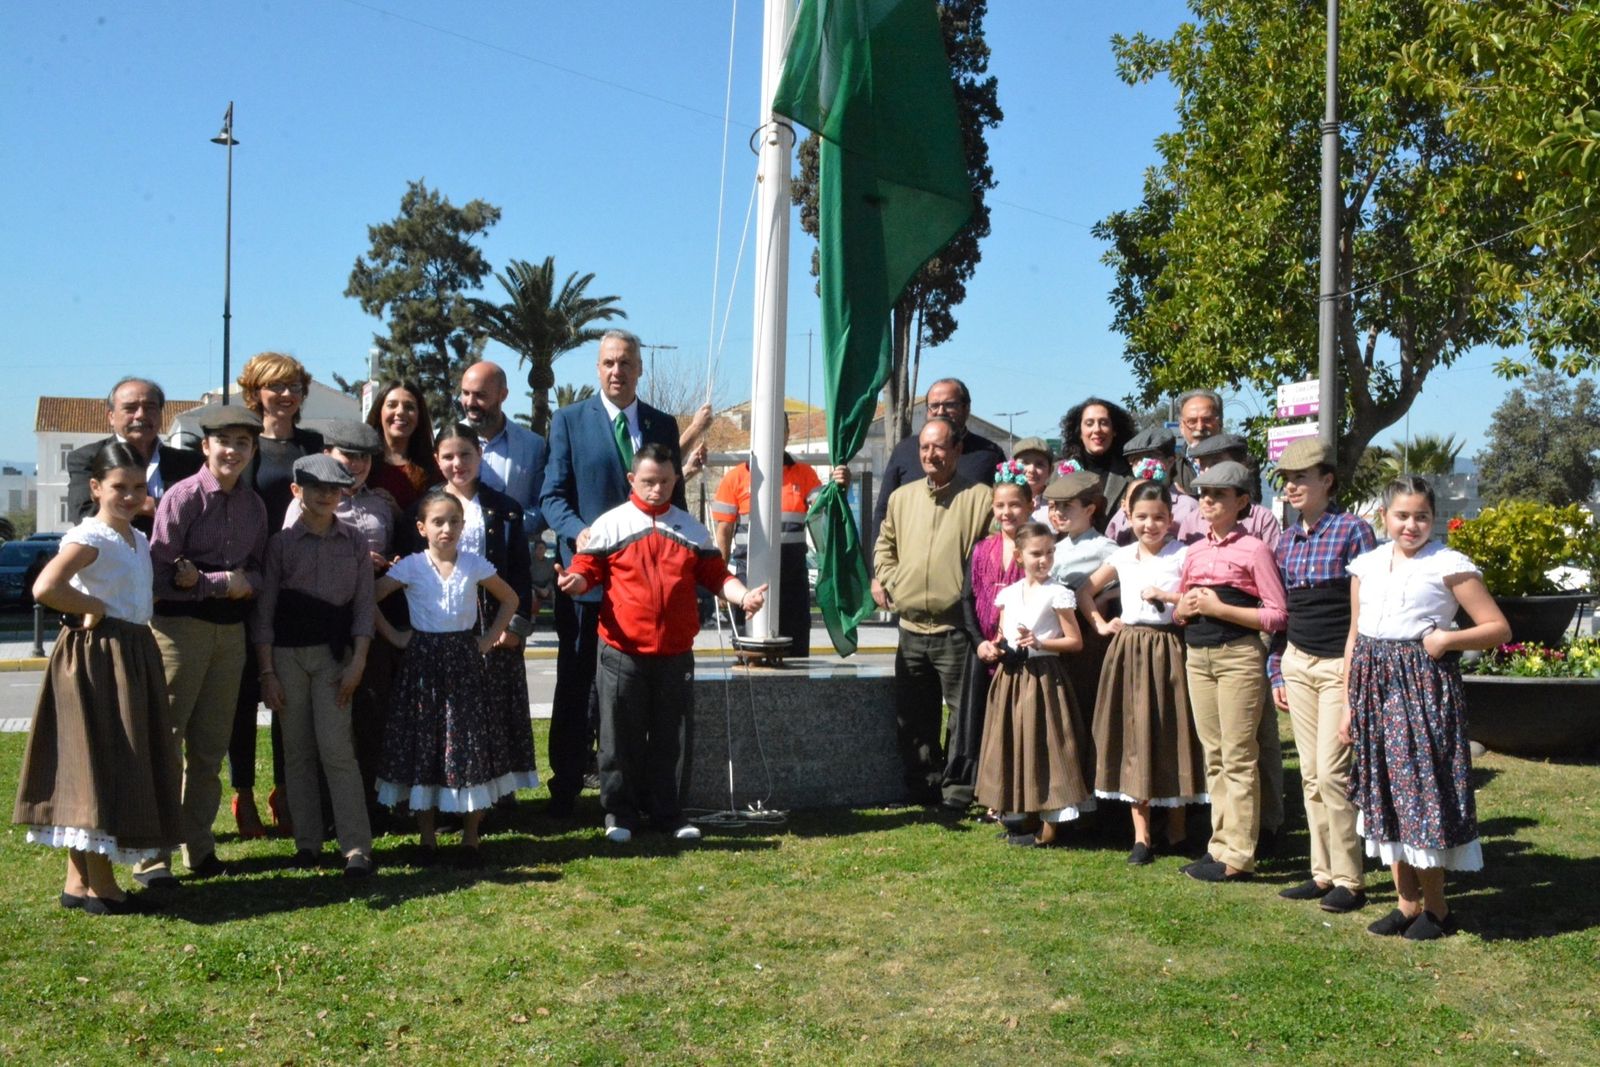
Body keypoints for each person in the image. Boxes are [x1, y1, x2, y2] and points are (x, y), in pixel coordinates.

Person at [556, 443, 768, 843]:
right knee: (619, 738)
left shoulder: (691, 529)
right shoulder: (611, 525)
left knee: (672, 738)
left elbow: (717, 575)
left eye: (665, 482)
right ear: (632, 479)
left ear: (676, 480)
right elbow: (587, 569)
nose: (657, 490)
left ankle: (668, 814)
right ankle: (620, 814)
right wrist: (575, 582)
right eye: (649, 482)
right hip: (621, 652)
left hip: (675, 654)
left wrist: (744, 597)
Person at [12, 442, 182, 914]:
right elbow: (46, 587)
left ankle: (78, 881)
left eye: (137, 487)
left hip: (130, 650)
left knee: (107, 757)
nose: (129, 496)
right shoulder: (92, 536)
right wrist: (92, 606)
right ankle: (102, 886)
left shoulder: (136, 538)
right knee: (101, 759)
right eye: (118, 487)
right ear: (95, 488)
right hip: (98, 656)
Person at [1341, 476, 1509, 940]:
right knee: (1385, 792)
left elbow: (1498, 628)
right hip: (1372, 687)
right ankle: (1406, 903)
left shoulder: (1448, 565)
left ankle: (1437, 908)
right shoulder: (1366, 566)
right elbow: (1355, 637)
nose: (1411, 525)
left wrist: (1447, 640)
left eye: (1421, 516)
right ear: (1384, 517)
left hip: (1420, 687)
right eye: (1402, 515)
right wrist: (1349, 705)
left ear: (1433, 519)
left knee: (1419, 793)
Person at [539, 329, 684, 818]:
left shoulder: (663, 424)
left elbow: (676, 503)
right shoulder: (569, 421)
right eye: (608, 363)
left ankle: (635, 790)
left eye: (625, 362)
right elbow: (552, 496)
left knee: (636, 694)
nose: (616, 371)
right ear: (597, 369)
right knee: (577, 683)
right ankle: (566, 784)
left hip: (646, 587)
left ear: (640, 368)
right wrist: (580, 534)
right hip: (586, 583)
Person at [133, 407, 269, 888]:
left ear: (253, 450)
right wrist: (221, 583)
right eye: (224, 441)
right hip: (178, 632)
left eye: (243, 443)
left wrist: (224, 581)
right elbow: (162, 573)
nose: (233, 450)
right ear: (206, 446)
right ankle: (153, 858)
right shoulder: (183, 497)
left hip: (229, 635)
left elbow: (259, 572)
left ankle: (200, 847)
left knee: (210, 749)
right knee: (165, 744)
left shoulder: (254, 507)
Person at [373, 489, 526, 866]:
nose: (447, 529)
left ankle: (471, 837)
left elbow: (510, 599)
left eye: (454, 521)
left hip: (464, 661)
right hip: (422, 664)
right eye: (438, 522)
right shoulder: (411, 566)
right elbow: (369, 598)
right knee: (425, 745)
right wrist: (394, 636)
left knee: (468, 744)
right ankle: (427, 838)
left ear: (463, 525)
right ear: (422, 528)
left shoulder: (474, 564)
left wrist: (488, 640)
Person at [253, 455, 375, 878]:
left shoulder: (355, 541)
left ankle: (356, 846)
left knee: (337, 749)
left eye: (333, 488)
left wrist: (359, 660)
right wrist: (267, 672)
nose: (325, 495)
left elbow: (364, 607)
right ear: (296, 491)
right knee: (297, 751)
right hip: (288, 656)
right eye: (315, 487)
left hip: (334, 656)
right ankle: (307, 842)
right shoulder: (281, 544)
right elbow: (265, 613)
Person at [1268, 438, 1377, 913]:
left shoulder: (1353, 531)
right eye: (1286, 480)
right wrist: (1277, 670)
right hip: (1298, 662)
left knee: (1333, 775)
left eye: (1301, 478)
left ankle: (1350, 880)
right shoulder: (1287, 540)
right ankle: (1322, 873)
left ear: (1327, 481)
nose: (1291, 487)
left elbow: (1366, 606)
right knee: (1311, 776)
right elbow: (1285, 611)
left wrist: (1358, 675)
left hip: (1338, 666)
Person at [1080, 481, 1207, 865]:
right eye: (1141, 517)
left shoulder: (1183, 554)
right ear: (1129, 517)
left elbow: (1196, 596)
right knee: (1135, 734)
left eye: (1158, 517)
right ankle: (1142, 835)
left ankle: (1178, 829)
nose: (1150, 525)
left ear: (1170, 519)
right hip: (1130, 649)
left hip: (1170, 646)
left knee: (1174, 729)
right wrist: (1101, 624)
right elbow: (1083, 591)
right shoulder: (1122, 556)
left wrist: (1168, 598)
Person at [1173, 460, 1287, 883]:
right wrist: (1183, 609)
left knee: (1238, 755)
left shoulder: (1254, 550)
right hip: (1198, 656)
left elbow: (1276, 614)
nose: (1207, 500)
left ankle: (1238, 853)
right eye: (1203, 493)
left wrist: (1221, 609)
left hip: (1238, 655)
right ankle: (1219, 844)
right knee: (1215, 754)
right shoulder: (1194, 551)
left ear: (1241, 502)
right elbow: (1180, 607)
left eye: (1218, 494)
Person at [230, 351, 326, 840]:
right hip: (248, 586)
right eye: (275, 386)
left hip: (297, 587)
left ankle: (285, 791)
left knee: (289, 700)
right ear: (256, 392)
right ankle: (243, 792)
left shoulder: (313, 445)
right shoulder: (244, 444)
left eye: (293, 387)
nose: (285, 395)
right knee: (243, 699)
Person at [873, 418, 993, 806]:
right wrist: (895, 581)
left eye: (939, 447)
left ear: (957, 450)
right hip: (910, 628)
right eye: (924, 447)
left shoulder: (981, 499)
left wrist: (965, 595)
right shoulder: (901, 498)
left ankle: (957, 790)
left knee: (961, 717)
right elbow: (885, 546)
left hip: (956, 630)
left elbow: (990, 557)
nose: (931, 454)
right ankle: (922, 787)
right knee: (914, 717)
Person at [286, 419, 401, 823]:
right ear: (327, 454)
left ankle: (373, 803)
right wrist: (352, 559)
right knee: (325, 723)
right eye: (348, 455)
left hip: (370, 617)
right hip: (320, 621)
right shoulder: (303, 503)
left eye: (364, 457)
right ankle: (324, 812)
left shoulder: (382, 503)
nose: (357, 464)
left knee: (372, 713)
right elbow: (294, 561)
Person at [425, 423, 540, 810]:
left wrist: (515, 626)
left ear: (480, 455)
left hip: (494, 619)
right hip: (442, 622)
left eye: (465, 454)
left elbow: (520, 573)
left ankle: (499, 798)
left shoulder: (504, 508)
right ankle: (448, 800)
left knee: (495, 711)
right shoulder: (425, 508)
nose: (457, 463)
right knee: (450, 714)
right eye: (448, 456)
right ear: (437, 460)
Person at [974, 521, 1093, 846]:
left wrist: (1040, 642)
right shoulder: (1009, 593)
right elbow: (1002, 634)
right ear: (1019, 556)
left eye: (1049, 553)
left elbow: (1075, 641)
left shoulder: (1058, 593)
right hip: (1011, 677)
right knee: (1015, 742)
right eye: (1036, 554)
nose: (1044, 560)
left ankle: (1050, 827)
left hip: (1043, 678)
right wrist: (994, 647)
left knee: (1046, 744)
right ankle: (1023, 815)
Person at [711, 415, 847, 658]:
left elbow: (825, 510)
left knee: (795, 651)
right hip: (748, 579)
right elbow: (724, 531)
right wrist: (720, 581)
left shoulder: (804, 474)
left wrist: (839, 487)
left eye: (779, 430)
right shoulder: (736, 477)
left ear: (787, 434)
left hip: (793, 579)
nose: (773, 437)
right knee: (749, 653)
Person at [943, 468, 1030, 812]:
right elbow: (967, 598)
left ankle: (1016, 789)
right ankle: (982, 786)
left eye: (1015, 505)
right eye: (1000, 506)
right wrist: (979, 641)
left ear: (1029, 506)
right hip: (983, 650)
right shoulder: (982, 549)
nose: (1007, 512)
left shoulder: (1036, 548)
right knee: (980, 718)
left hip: (1020, 651)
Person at [869, 378, 1004, 593]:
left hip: (968, 587)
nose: (940, 411)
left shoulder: (989, 454)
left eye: (949, 404)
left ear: (966, 408)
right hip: (910, 587)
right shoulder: (905, 450)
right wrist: (879, 576)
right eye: (934, 405)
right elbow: (883, 512)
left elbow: (1002, 518)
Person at [66, 377, 202, 534]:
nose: (140, 415)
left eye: (150, 407)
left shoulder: (190, 463)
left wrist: (127, 503)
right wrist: (155, 506)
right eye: (130, 408)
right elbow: (86, 514)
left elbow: (203, 513)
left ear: (160, 414)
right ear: (111, 416)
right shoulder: (88, 458)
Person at [1043, 470, 1117, 715]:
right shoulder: (1056, 547)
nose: (1058, 512)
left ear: (1089, 509)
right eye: (1055, 506)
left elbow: (1131, 579)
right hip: (1057, 634)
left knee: (1084, 700)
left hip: (1086, 635)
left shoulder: (1105, 547)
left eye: (1067, 506)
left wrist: (1104, 596)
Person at [458, 361, 548, 535]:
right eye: (465, 393)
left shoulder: (533, 445)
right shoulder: (444, 442)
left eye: (480, 395)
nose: (470, 402)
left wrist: (509, 525)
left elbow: (544, 506)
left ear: (503, 395)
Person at [1177, 433, 1281, 548]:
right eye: (1202, 465)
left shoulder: (1262, 519)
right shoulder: (1191, 522)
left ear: (1240, 465)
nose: (1207, 471)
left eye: (1215, 463)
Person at [1103, 427, 1197, 545]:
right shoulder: (1126, 507)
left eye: (1150, 457)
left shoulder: (1189, 507)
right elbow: (1111, 543)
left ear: (1170, 461)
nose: (1143, 464)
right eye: (1136, 459)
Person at [1056, 397, 1138, 527]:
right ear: (1079, 432)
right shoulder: (1059, 472)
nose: (1097, 429)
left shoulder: (1132, 473)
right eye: (1089, 424)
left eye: (1104, 423)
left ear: (1114, 430)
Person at [365, 379, 443, 514]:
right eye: (392, 405)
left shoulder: (434, 469)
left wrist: (400, 515)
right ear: (379, 412)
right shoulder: (362, 462)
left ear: (419, 416)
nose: (400, 412)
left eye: (409, 407)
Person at [1173, 388, 1224, 497]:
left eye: (1207, 420)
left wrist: (1188, 502)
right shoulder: (1170, 467)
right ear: (1181, 427)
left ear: (1220, 423)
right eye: (1192, 421)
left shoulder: (1240, 463)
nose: (1200, 427)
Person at [1010, 437, 1054, 523]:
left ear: (1050, 470)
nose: (1031, 470)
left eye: (1039, 464)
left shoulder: (1057, 504)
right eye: (1025, 463)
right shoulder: (1002, 500)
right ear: (1012, 466)